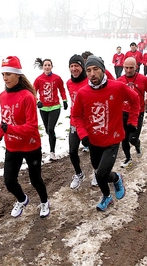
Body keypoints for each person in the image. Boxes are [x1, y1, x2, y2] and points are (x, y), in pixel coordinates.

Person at [71, 55, 140, 211]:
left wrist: (132, 121)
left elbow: (135, 100)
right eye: (88, 70)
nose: (92, 74)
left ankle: (108, 194)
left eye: (95, 69)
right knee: (99, 172)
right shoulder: (82, 93)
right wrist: (83, 135)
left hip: (112, 140)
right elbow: (76, 116)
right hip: (94, 141)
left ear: (102, 69)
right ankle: (114, 181)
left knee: (101, 174)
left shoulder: (117, 87)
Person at [0, 56, 50, 218]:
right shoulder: (2, 96)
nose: (5, 78)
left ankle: (44, 202)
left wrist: (9, 129)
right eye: (3, 74)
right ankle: (22, 199)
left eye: (8, 74)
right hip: (12, 146)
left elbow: (32, 127)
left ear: (18, 74)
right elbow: (5, 118)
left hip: (31, 146)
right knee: (9, 182)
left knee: (35, 180)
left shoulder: (27, 97)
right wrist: (0, 134)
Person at [117, 57, 147, 168]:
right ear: (123, 67)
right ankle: (128, 158)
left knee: (132, 138)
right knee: (123, 138)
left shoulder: (143, 79)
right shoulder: (119, 80)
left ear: (136, 67)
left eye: (131, 68)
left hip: (138, 112)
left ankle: (137, 144)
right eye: (126, 68)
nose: (128, 70)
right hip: (123, 112)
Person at [66, 54, 94, 189]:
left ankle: (97, 171)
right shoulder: (69, 83)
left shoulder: (89, 81)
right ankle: (79, 173)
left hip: (89, 122)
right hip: (74, 121)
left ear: (82, 67)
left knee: (94, 150)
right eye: (71, 66)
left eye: (76, 65)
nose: (74, 69)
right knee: (72, 150)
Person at [33, 58, 68, 161]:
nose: (47, 67)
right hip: (43, 108)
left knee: (51, 128)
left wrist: (64, 100)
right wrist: (37, 101)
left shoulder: (57, 78)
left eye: (49, 65)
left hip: (55, 107)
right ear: (42, 67)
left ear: (52, 66)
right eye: (45, 65)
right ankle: (52, 139)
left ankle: (52, 152)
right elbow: (33, 92)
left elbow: (62, 90)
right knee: (48, 130)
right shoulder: (38, 79)